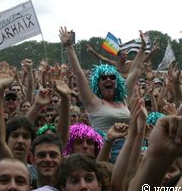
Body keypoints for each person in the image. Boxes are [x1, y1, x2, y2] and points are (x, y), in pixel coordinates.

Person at [59, 27, 146, 162]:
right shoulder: (93, 102)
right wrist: (68, 46)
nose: (108, 80)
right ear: (97, 83)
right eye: (103, 78)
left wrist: (142, 48)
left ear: (117, 83)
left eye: (112, 77)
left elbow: (135, 72)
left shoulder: (123, 100)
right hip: (105, 151)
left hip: (128, 151)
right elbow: (78, 73)